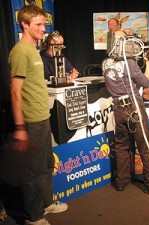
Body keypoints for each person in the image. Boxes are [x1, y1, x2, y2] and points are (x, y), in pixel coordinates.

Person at [8, 5, 68, 225]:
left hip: (42, 117)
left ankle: (46, 203)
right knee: (33, 171)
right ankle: (34, 217)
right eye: (39, 25)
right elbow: (15, 92)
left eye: (44, 24)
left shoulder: (33, 50)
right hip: (30, 122)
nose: (44, 29)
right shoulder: (20, 51)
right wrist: (20, 128)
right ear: (24, 24)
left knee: (45, 164)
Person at [102, 32, 149, 194]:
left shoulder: (105, 64)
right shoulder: (129, 63)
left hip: (119, 110)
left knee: (122, 146)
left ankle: (121, 182)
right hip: (134, 108)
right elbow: (145, 82)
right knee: (145, 147)